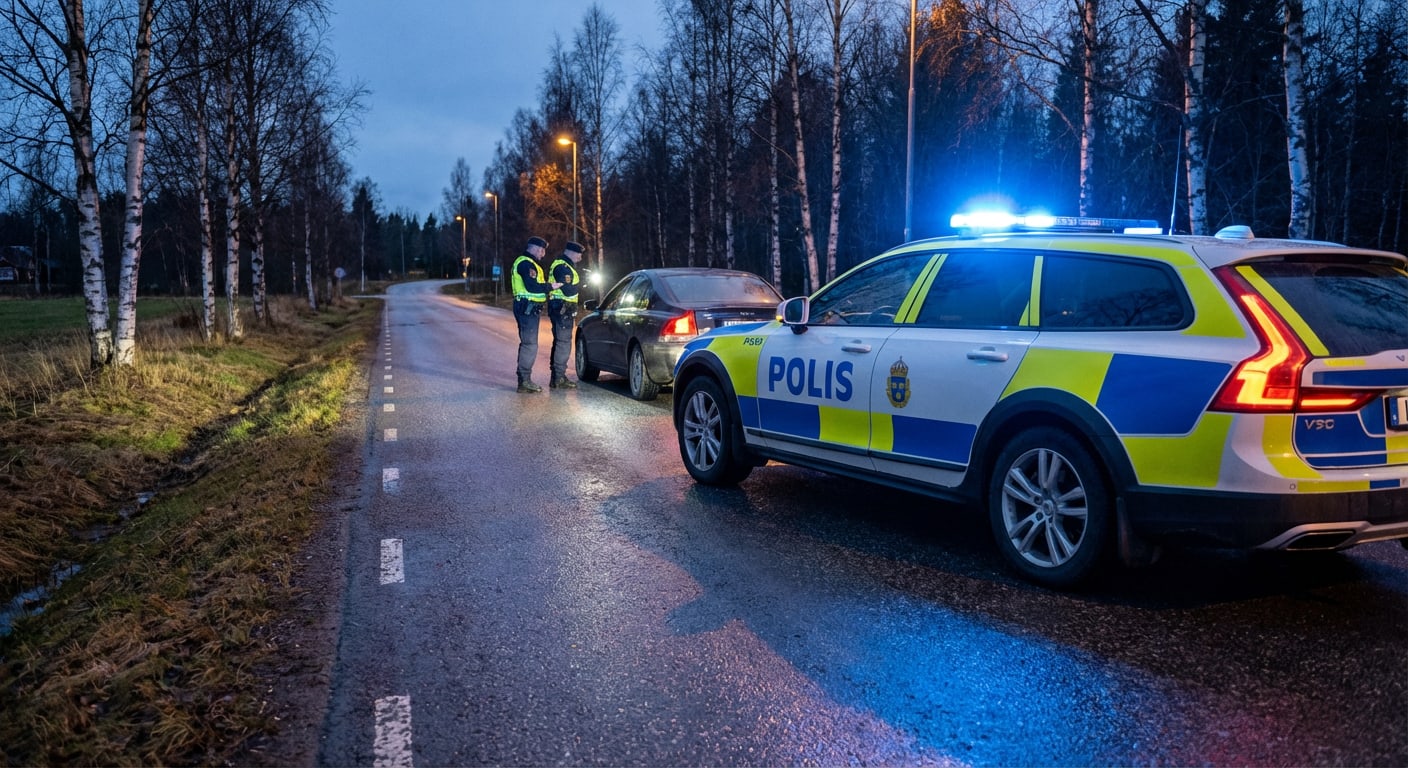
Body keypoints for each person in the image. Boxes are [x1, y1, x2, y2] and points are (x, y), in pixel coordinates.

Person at [511, 236, 559, 393]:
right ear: (533, 248)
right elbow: (531, 286)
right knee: (529, 344)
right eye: (541, 250)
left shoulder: (530, 263)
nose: (543, 254)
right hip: (527, 307)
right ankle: (524, 381)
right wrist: (550, 286)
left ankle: (524, 379)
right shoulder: (526, 263)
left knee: (528, 343)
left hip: (529, 308)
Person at [547, 241, 585, 389]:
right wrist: (583, 284)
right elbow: (568, 291)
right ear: (571, 252)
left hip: (560, 307)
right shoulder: (562, 267)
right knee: (563, 343)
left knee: (559, 342)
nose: (580, 258)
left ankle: (556, 377)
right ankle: (558, 377)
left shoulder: (563, 266)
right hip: (562, 308)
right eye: (579, 254)